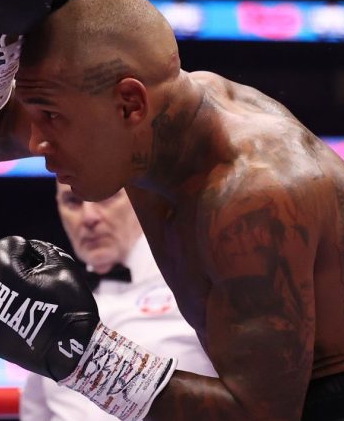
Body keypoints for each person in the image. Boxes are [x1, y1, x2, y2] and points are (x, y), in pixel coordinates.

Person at [0, 0, 344, 420]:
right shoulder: (129, 117)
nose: (34, 142)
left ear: (130, 104)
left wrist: (75, 352)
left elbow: (260, 415)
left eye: (50, 117)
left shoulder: (255, 194)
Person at [21, 180, 215, 421]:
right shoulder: (49, 310)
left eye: (105, 196)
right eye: (73, 202)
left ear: (141, 198)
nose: (89, 217)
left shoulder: (196, 282)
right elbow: (35, 412)